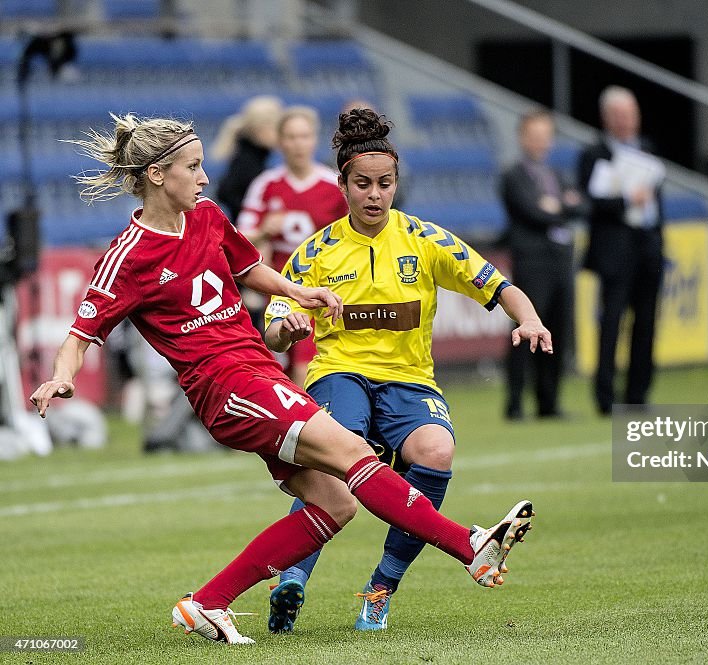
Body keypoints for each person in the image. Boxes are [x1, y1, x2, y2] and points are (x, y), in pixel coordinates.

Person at [29, 113, 536, 646]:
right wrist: (62, 377)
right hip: (224, 386)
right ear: (158, 175)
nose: (204, 178)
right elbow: (82, 332)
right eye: (193, 167)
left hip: (258, 370)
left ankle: (207, 603)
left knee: (336, 503)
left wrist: (299, 293)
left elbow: (248, 270)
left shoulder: (206, 215)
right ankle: (470, 546)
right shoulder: (126, 256)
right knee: (354, 453)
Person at [262, 107, 554, 633]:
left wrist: (529, 318)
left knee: (436, 451)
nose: (374, 195)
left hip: (409, 379)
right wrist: (287, 331)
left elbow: (497, 284)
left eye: (385, 183)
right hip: (338, 372)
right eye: (363, 184)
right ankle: (292, 579)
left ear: (396, 184)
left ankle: (380, 589)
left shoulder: (424, 240)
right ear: (343, 186)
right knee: (336, 461)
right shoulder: (318, 251)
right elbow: (277, 319)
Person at [237, 106, 349, 382]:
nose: (298, 144)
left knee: (306, 367)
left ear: (314, 139)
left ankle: (309, 423)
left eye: (304, 136)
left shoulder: (334, 185)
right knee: (284, 367)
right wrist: (264, 231)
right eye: (290, 137)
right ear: (280, 141)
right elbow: (239, 239)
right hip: (280, 289)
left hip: (325, 288)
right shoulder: (266, 185)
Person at [577, 86, 665, 415]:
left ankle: (638, 396)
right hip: (615, 254)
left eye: (631, 114)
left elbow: (659, 203)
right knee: (611, 325)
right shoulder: (594, 154)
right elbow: (592, 202)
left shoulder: (647, 149)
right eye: (621, 115)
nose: (628, 121)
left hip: (648, 250)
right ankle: (605, 398)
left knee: (646, 325)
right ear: (607, 119)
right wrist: (628, 199)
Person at [499, 109, 584, 420]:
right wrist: (562, 207)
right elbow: (531, 212)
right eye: (535, 136)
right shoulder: (514, 175)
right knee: (525, 329)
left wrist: (555, 206)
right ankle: (515, 402)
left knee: (557, 330)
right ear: (523, 138)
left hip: (561, 260)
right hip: (532, 262)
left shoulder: (556, 175)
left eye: (545, 137)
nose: (541, 143)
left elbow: (580, 206)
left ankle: (549, 402)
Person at [211, 95, 283, 222]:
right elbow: (226, 192)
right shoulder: (247, 161)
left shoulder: (255, 156)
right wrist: (252, 216)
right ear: (261, 129)